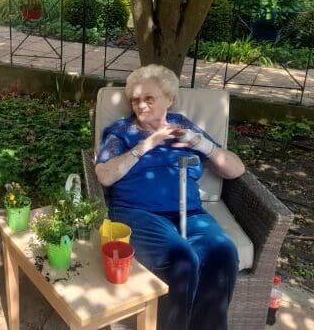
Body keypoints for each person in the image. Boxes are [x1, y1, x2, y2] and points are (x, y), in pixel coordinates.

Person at [94, 64, 245, 330]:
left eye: (148, 99)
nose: (140, 106)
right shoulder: (121, 131)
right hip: (138, 213)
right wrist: (146, 145)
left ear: (170, 99)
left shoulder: (184, 127)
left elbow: (235, 169)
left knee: (222, 251)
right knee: (181, 258)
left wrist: (201, 143)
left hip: (191, 213)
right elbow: (105, 175)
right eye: (135, 100)